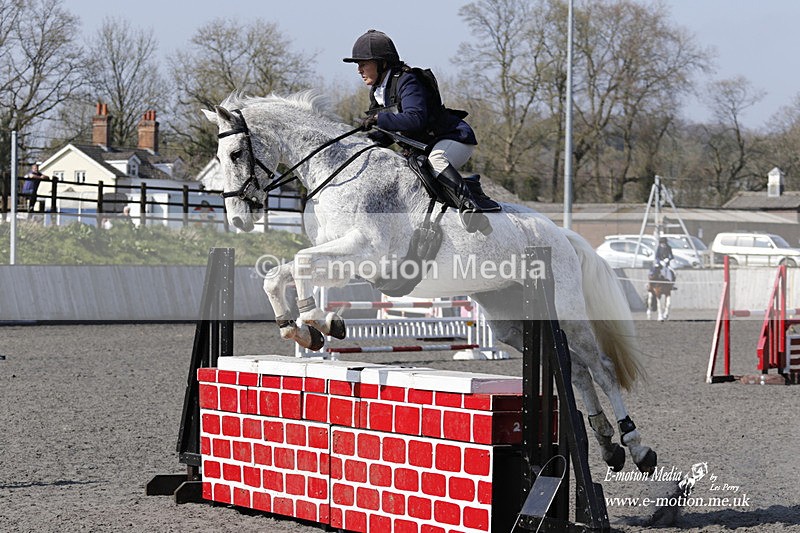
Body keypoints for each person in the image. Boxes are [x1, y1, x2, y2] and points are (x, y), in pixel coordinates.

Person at [343, 29, 500, 233]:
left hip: (453, 139)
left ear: (382, 63)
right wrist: (366, 143)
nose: (359, 70)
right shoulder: (379, 92)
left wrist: (378, 118)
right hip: (424, 147)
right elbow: (388, 133)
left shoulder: (407, 81)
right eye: (358, 65)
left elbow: (415, 119)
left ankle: (470, 207)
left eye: (363, 64)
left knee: (438, 161)